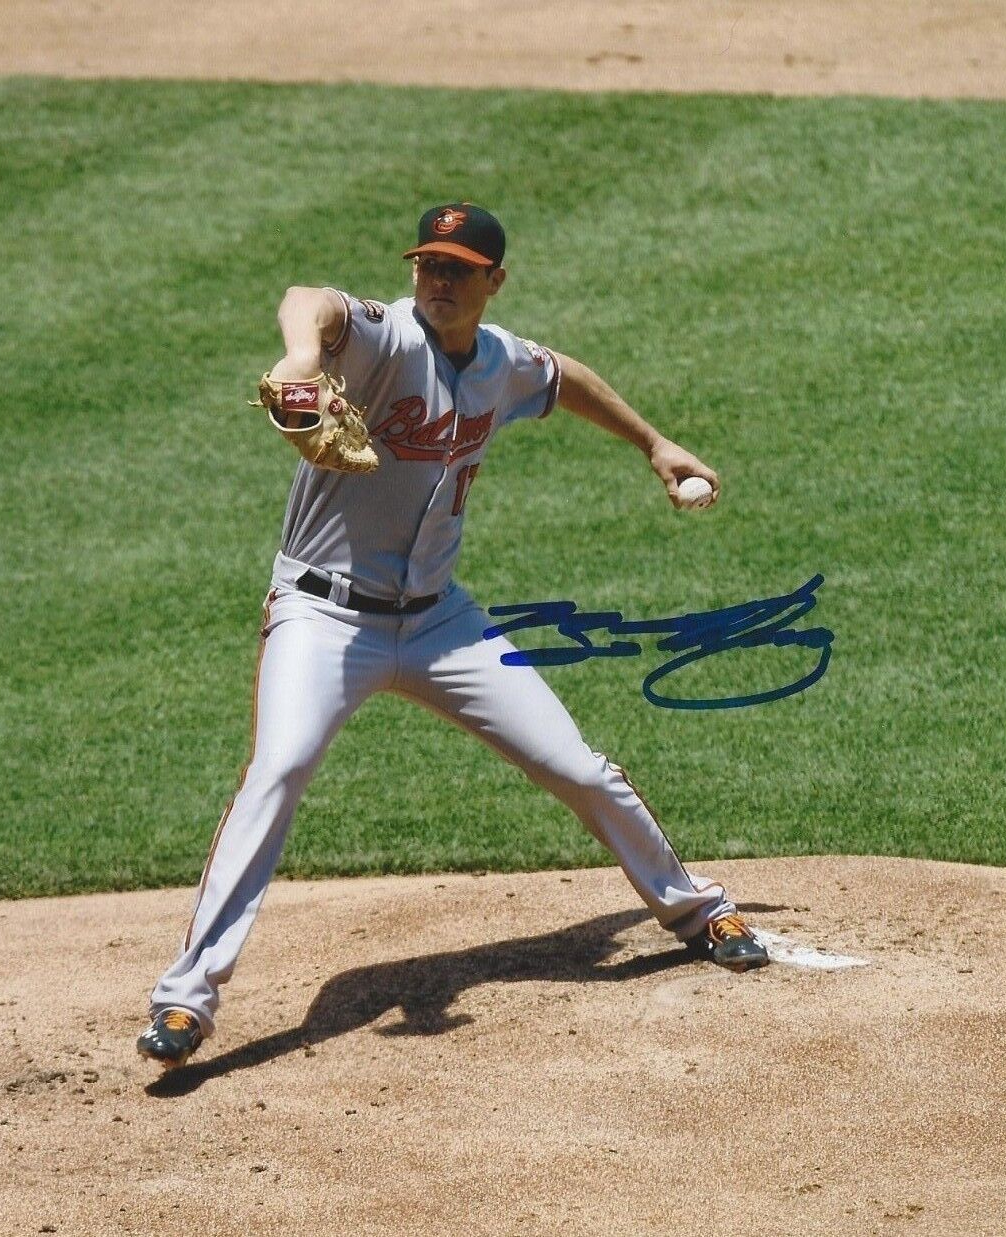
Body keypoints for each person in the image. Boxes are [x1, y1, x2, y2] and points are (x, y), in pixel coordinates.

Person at [137, 202, 767, 1071]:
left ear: (492, 282)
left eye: (457, 270)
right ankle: (185, 1000)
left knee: (576, 764)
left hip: (441, 620)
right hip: (323, 618)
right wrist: (300, 358)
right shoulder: (381, 340)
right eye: (428, 264)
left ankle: (697, 909)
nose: (437, 281)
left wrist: (653, 444)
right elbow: (307, 298)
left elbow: (562, 378)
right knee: (276, 770)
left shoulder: (500, 361)